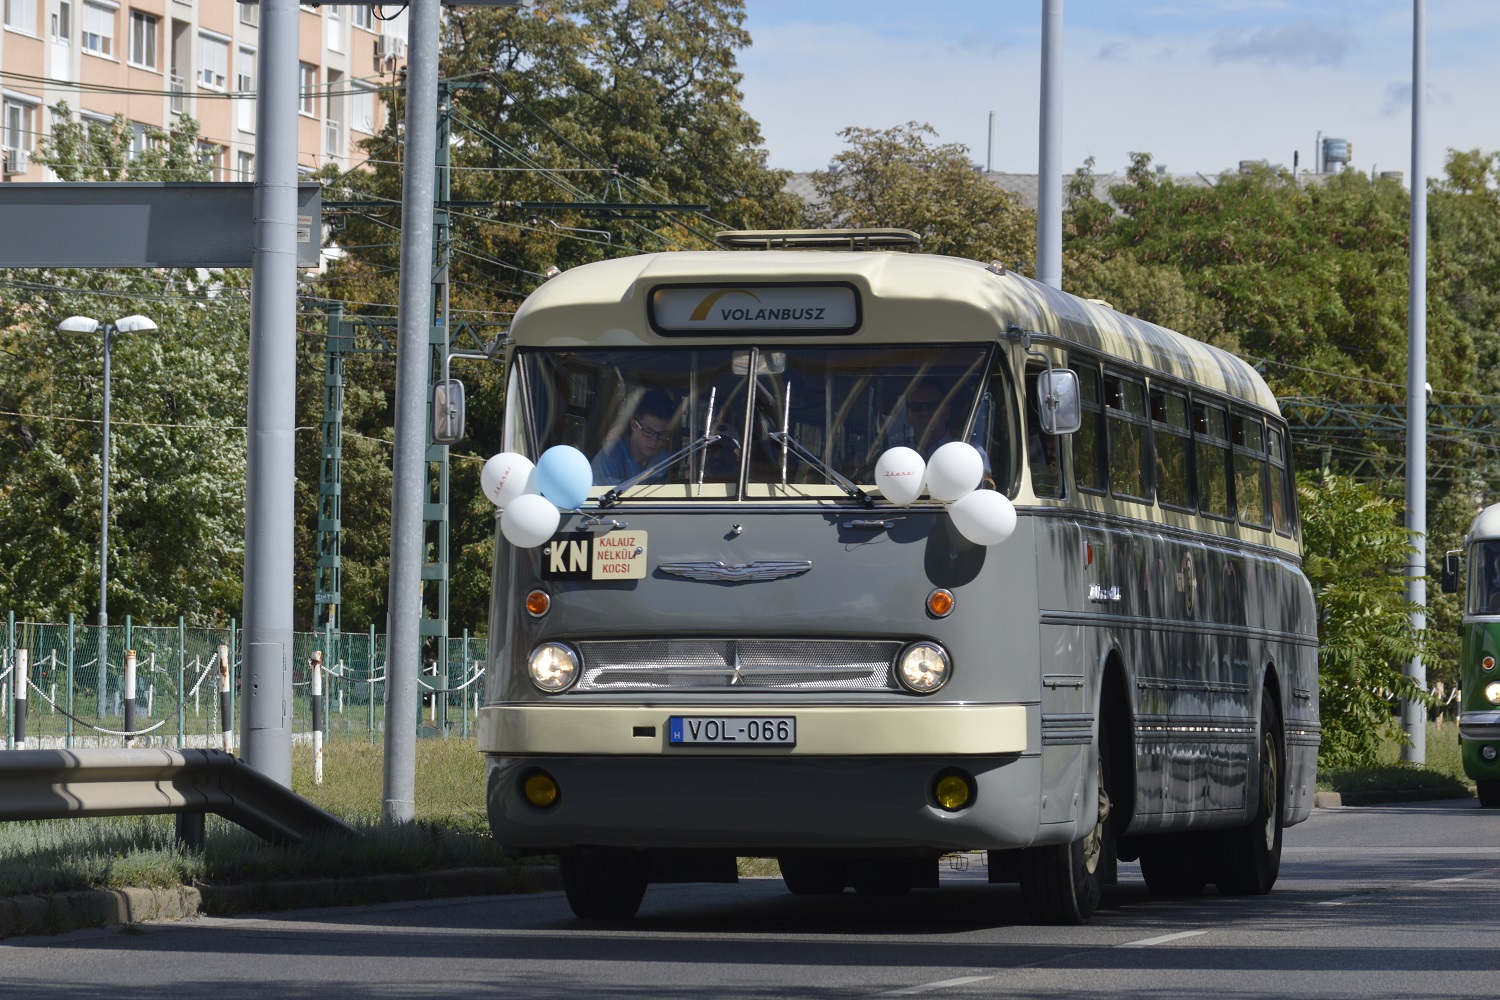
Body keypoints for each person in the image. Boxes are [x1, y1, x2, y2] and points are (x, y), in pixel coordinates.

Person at [592, 388, 677, 485]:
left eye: (662, 434)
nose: (654, 440)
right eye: (648, 431)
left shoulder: (662, 459)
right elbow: (609, 498)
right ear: (633, 424)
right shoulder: (609, 458)